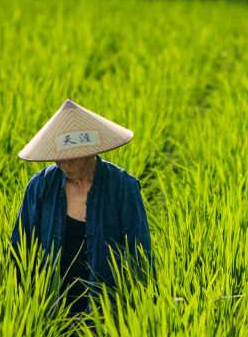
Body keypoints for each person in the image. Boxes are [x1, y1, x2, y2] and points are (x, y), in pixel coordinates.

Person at [10, 99, 152, 316]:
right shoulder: (41, 185)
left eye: (70, 160)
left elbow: (139, 252)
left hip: (106, 309)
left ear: (90, 152)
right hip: (51, 307)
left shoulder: (123, 186)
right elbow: (20, 248)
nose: (62, 165)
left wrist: (139, 309)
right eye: (58, 159)